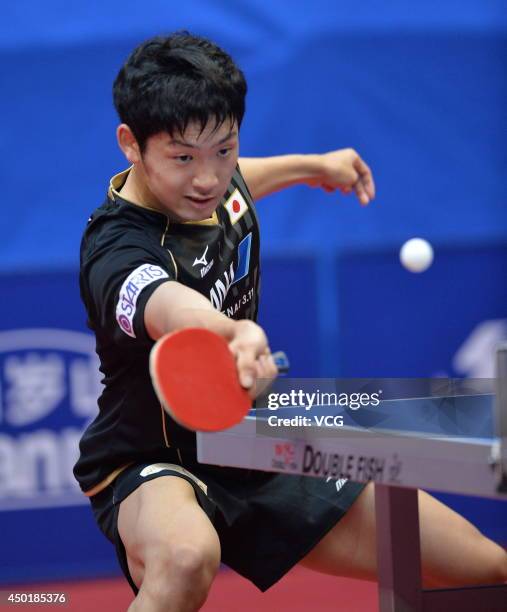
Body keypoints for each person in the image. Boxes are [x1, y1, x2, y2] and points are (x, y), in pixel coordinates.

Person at [73, 32, 507, 612]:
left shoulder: (215, 185)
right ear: (132, 144)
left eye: (223, 149)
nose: (207, 178)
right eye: (182, 158)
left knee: (484, 567)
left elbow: (241, 177)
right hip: (152, 457)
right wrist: (231, 332)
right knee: (185, 557)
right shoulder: (114, 249)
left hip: (252, 437)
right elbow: (167, 303)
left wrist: (313, 167)